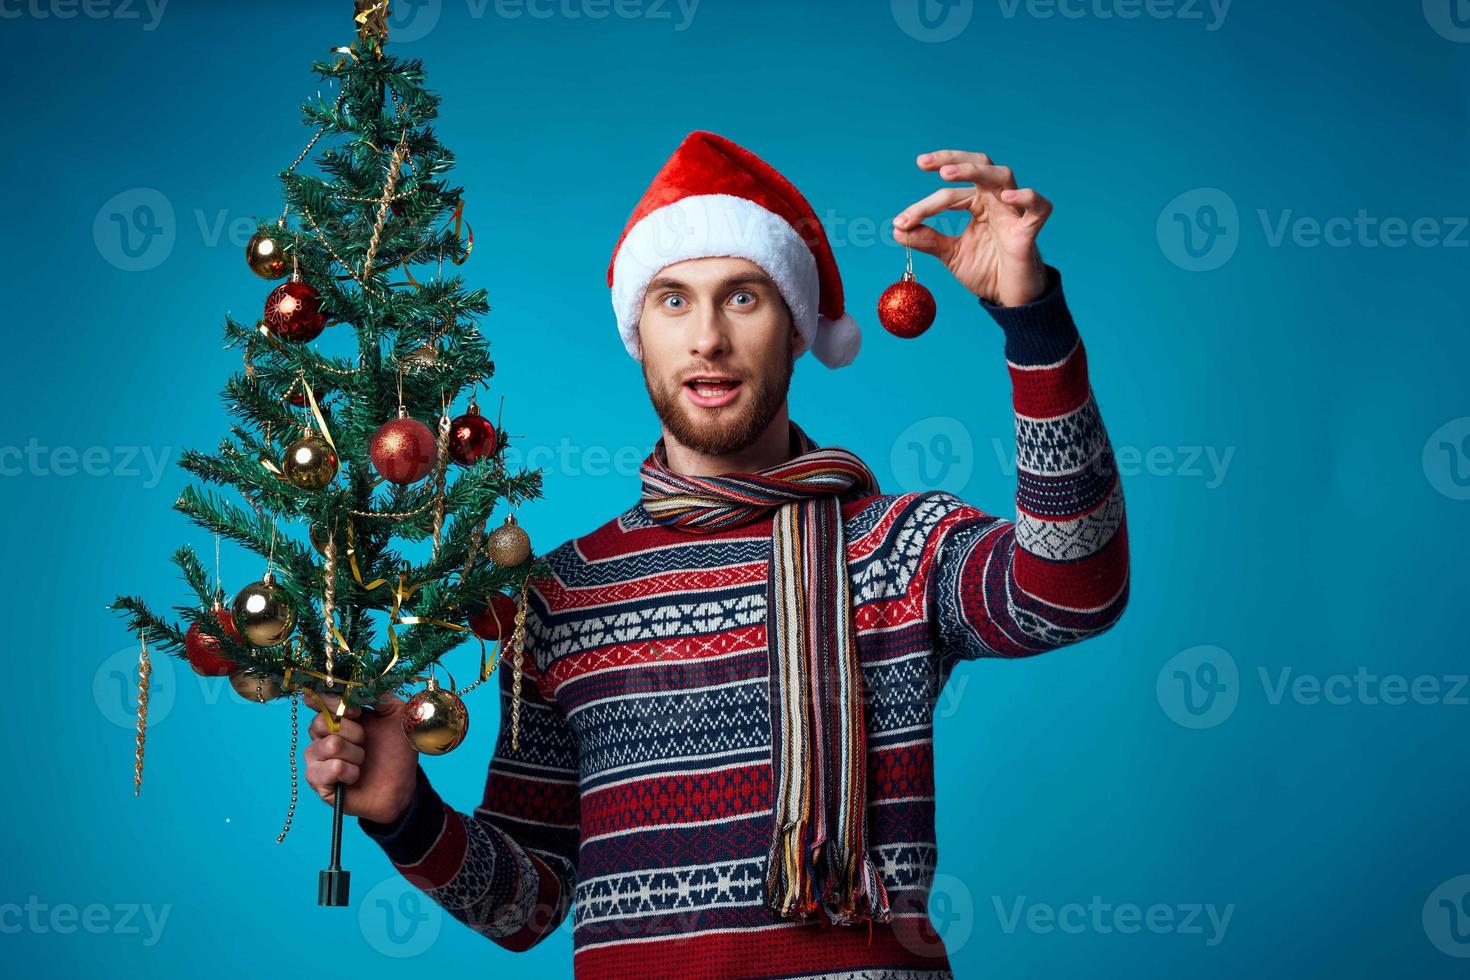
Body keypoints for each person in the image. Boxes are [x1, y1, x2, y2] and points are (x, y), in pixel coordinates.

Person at [305, 130, 1130, 979]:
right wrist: (405, 814)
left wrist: (1030, 319)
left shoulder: (897, 548)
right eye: (672, 300)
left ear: (797, 327)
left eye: (743, 298)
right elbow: (529, 906)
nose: (706, 338)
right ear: (639, 332)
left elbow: (1072, 588)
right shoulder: (561, 594)